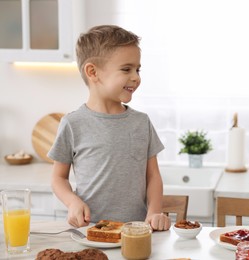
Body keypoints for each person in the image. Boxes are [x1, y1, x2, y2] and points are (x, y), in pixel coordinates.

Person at [48, 25, 171, 230]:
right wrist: (72, 202)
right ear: (92, 72)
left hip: (136, 230)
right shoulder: (73, 124)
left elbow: (153, 176)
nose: (136, 77)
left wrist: (154, 211)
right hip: (91, 230)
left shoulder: (141, 122)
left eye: (137, 69)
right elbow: (58, 177)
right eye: (126, 69)